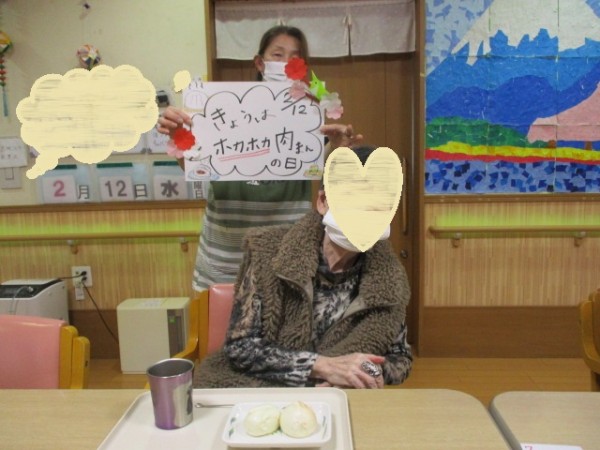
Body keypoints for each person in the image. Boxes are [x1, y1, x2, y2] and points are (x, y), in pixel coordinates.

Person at [157, 25, 362, 293]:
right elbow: (195, 165)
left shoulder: (309, 117)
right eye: (277, 55)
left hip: (284, 262)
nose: (286, 64)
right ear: (259, 63)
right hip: (224, 264)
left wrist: (337, 149)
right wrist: (179, 136)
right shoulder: (223, 107)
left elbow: (319, 172)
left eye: (295, 58)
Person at [195, 145, 412, 389]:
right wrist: (323, 367)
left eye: (377, 207)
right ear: (323, 202)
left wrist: (362, 372)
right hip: (269, 392)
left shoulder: (389, 278)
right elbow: (241, 348)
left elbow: (400, 358)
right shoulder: (267, 252)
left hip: (339, 397)